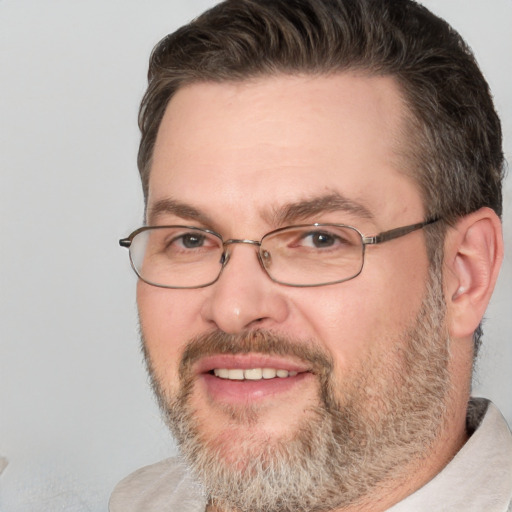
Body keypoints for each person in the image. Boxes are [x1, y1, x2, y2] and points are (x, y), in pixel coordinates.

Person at [111, 0, 512, 510]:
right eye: (191, 239)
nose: (233, 308)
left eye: (319, 239)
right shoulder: (137, 500)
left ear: (464, 273)